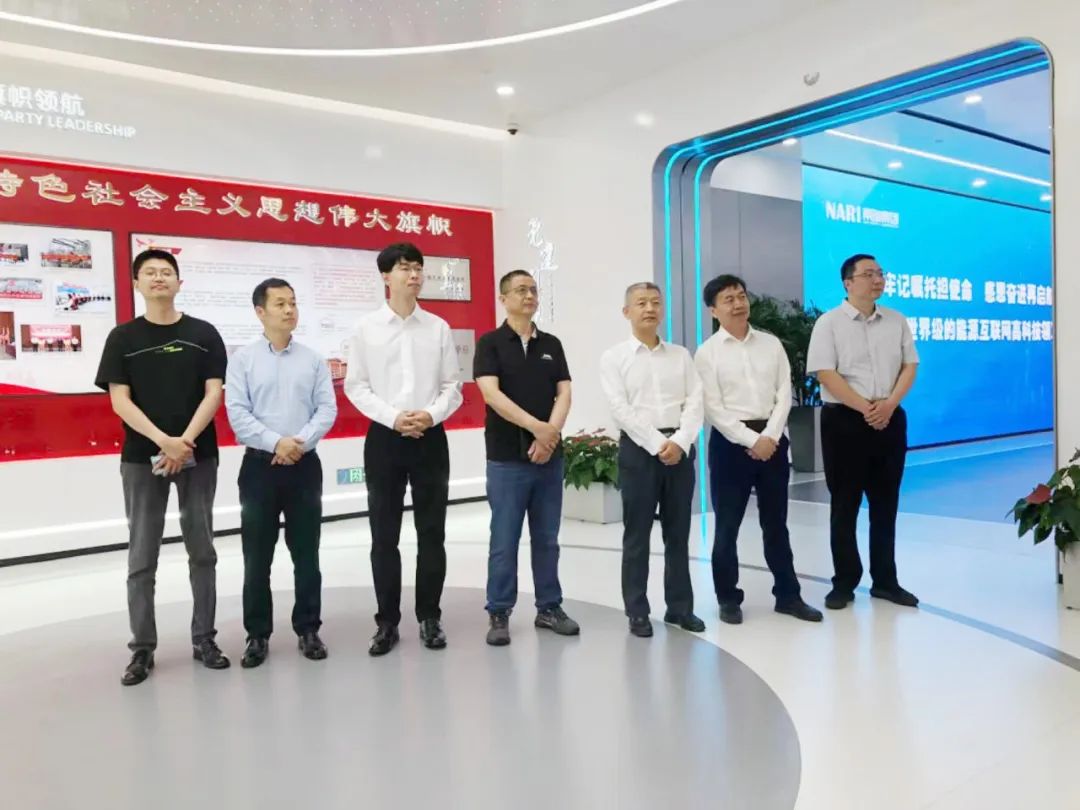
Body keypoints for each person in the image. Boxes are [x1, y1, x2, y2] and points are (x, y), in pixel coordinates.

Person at [94, 249, 229, 686]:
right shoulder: (123, 338)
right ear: (136, 283)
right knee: (142, 555)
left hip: (197, 455)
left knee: (202, 549)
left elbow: (213, 393)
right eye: (149, 272)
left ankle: (204, 639)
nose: (158, 278)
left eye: (166, 272)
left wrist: (183, 442)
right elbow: (120, 400)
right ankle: (142, 648)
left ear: (179, 282)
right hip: (142, 458)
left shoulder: (203, 333)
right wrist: (163, 441)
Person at [344, 242, 463, 656]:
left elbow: (452, 386)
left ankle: (430, 616)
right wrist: (394, 417)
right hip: (385, 438)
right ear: (385, 276)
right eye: (404, 268)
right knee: (384, 534)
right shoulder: (365, 328)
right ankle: (387, 622)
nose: (414, 275)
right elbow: (356, 386)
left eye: (418, 268)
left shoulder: (438, 327)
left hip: (430, 437)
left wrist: (430, 415)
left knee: (432, 532)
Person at [694, 275, 823, 625]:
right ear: (713, 310)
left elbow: (784, 393)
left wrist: (770, 436)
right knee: (727, 526)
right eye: (728, 299)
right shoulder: (707, 353)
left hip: (773, 440)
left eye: (741, 296)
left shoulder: (771, 344)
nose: (738, 304)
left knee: (776, 524)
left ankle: (788, 596)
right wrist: (753, 441)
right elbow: (713, 408)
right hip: (730, 444)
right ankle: (728, 598)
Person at [226, 278, 337, 669]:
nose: (289, 310)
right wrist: (277, 443)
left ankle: (308, 628)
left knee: (307, 553)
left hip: (305, 466)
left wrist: (297, 444)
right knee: (257, 556)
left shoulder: (313, 360)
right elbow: (238, 413)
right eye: (280, 304)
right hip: (259, 467)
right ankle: (257, 634)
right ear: (260, 312)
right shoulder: (242, 360)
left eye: (293, 302)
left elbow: (326, 409)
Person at [806, 254, 920, 610]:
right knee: (845, 505)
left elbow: (910, 365)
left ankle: (886, 581)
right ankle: (844, 582)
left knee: (886, 505)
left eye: (880, 273)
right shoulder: (828, 323)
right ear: (848, 283)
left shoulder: (896, 320)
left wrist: (889, 405)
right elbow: (825, 373)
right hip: (844, 421)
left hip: (889, 418)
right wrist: (865, 407)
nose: (877, 280)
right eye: (869, 274)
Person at [473, 269, 579, 646]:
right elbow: (491, 395)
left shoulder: (551, 344)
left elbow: (564, 393)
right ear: (503, 298)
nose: (529, 295)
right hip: (506, 458)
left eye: (533, 290)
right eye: (521, 290)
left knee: (547, 539)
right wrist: (538, 428)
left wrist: (550, 435)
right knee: (504, 539)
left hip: (548, 458)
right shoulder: (490, 343)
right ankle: (499, 611)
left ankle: (549, 607)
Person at [599, 282, 706, 638]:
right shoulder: (614, 358)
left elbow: (695, 402)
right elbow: (620, 409)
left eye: (656, 302)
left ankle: (680, 608)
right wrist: (660, 444)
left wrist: (680, 441)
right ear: (626, 312)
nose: (649, 308)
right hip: (639, 451)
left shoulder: (681, 355)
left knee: (678, 533)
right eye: (641, 303)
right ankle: (637, 611)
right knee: (637, 535)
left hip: (680, 450)